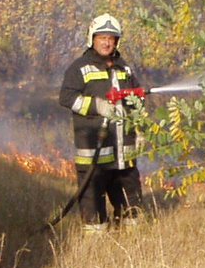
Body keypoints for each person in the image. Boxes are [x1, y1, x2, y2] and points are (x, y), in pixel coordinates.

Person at [58, 13, 145, 231]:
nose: (106, 42)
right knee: (93, 215)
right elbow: (67, 98)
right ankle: (95, 253)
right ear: (92, 38)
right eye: (102, 37)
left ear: (117, 41)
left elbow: (137, 102)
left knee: (131, 211)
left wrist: (141, 131)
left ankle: (134, 250)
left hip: (124, 157)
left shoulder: (124, 69)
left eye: (111, 38)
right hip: (94, 156)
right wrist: (96, 106)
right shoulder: (79, 68)